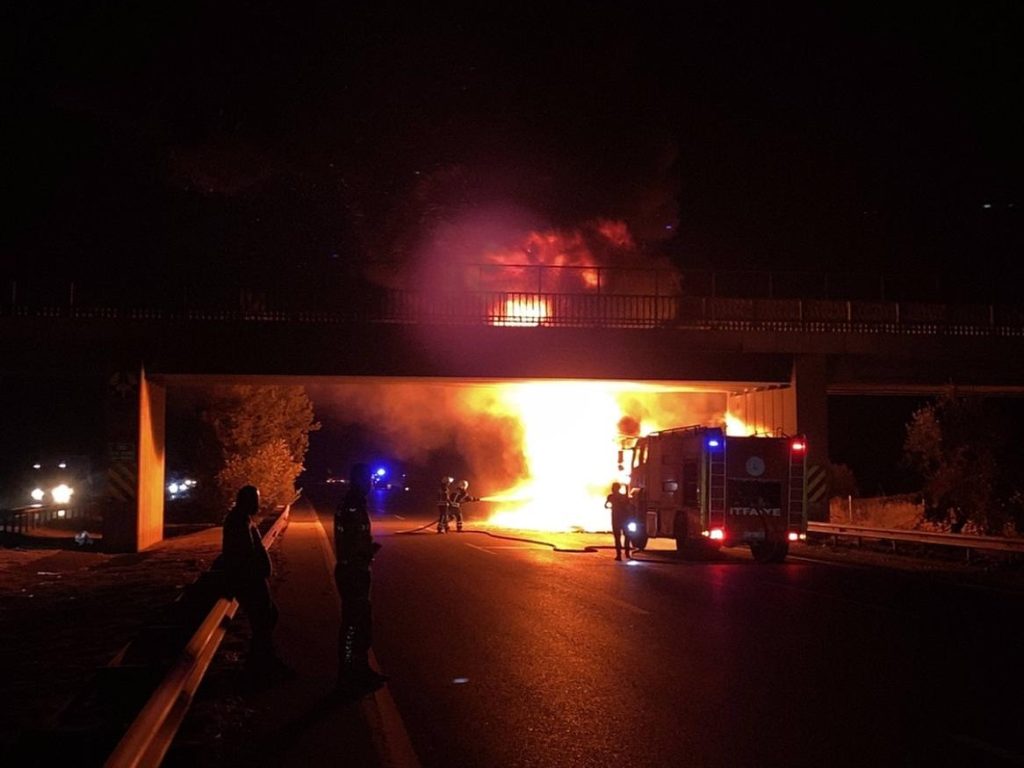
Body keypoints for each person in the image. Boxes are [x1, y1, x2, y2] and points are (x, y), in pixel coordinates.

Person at [334, 462, 388, 696]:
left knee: (362, 623)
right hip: (352, 571)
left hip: (357, 569)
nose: (369, 484)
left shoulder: (356, 503)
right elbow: (350, 542)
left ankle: (361, 668)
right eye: (367, 480)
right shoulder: (352, 505)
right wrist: (367, 551)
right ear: (358, 480)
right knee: (353, 624)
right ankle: (348, 672)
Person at [220, 485, 286, 676]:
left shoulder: (243, 519)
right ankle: (261, 664)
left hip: (253, 580)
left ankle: (261, 660)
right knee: (264, 620)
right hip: (249, 581)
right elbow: (243, 555)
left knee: (267, 617)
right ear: (247, 501)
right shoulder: (238, 522)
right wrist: (255, 575)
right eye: (256, 500)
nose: (259, 504)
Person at [605, 482, 632, 561]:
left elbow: (606, 505)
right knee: (627, 536)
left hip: (616, 519)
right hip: (624, 519)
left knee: (617, 537)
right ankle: (627, 553)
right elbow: (628, 506)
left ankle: (619, 555)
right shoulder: (623, 497)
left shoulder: (611, 497)